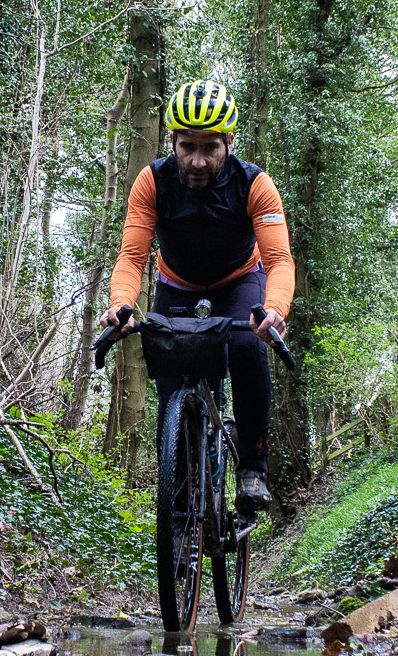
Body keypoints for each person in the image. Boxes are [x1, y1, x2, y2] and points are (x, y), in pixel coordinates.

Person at [102, 79, 292, 510]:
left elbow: (279, 260)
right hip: (177, 286)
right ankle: (179, 503)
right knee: (170, 380)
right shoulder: (152, 182)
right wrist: (121, 303)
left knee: (247, 346)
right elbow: (132, 256)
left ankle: (252, 469)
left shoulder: (255, 184)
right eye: (187, 147)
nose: (198, 160)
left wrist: (274, 310)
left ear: (230, 142)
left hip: (239, 282)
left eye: (211, 148)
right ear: (172, 141)